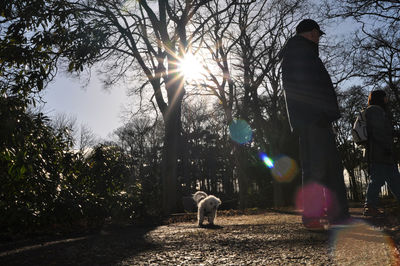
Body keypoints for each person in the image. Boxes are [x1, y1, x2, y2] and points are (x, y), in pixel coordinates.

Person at [281, 19, 350, 228]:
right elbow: (304, 86)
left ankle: (336, 214)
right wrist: (318, 112)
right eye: (318, 34)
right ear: (312, 33)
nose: (319, 38)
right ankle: (312, 215)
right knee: (317, 168)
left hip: (315, 117)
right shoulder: (300, 52)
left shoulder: (302, 51)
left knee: (327, 167)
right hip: (313, 118)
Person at [363, 90, 400, 217]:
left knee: (395, 180)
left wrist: (394, 133)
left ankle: (370, 206)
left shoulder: (379, 111)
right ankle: (370, 206)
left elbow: (384, 130)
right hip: (379, 152)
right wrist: (385, 147)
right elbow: (378, 132)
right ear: (380, 98)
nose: (387, 99)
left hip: (384, 153)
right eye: (385, 97)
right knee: (377, 180)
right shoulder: (374, 110)